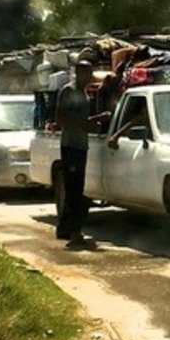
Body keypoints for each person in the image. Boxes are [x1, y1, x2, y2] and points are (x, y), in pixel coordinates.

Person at [54, 52, 111, 250]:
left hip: (81, 145)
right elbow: (61, 120)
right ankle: (75, 233)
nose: (89, 77)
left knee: (76, 189)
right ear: (78, 73)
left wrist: (96, 119)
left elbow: (80, 119)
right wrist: (89, 124)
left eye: (90, 73)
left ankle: (64, 230)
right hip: (71, 146)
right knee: (74, 191)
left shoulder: (85, 93)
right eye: (86, 73)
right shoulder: (68, 91)